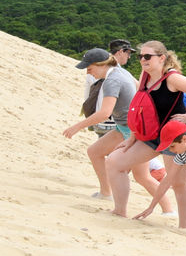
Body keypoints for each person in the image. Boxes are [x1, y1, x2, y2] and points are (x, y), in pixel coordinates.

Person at [106, 41, 186, 223]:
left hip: (176, 137)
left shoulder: (172, 78)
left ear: (162, 58)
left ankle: (184, 228)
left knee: (180, 184)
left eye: (147, 56)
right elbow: (139, 107)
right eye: (140, 56)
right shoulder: (145, 76)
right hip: (151, 135)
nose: (142, 60)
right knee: (114, 162)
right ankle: (119, 211)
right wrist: (132, 136)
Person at [63, 48, 174, 214]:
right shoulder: (121, 72)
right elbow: (140, 89)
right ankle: (106, 192)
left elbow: (104, 113)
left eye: (90, 68)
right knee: (95, 151)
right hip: (125, 127)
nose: (88, 72)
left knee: (141, 176)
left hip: (136, 130)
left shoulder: (112, 81)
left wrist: (77, 127)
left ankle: (168, 210)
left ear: (101, 65)